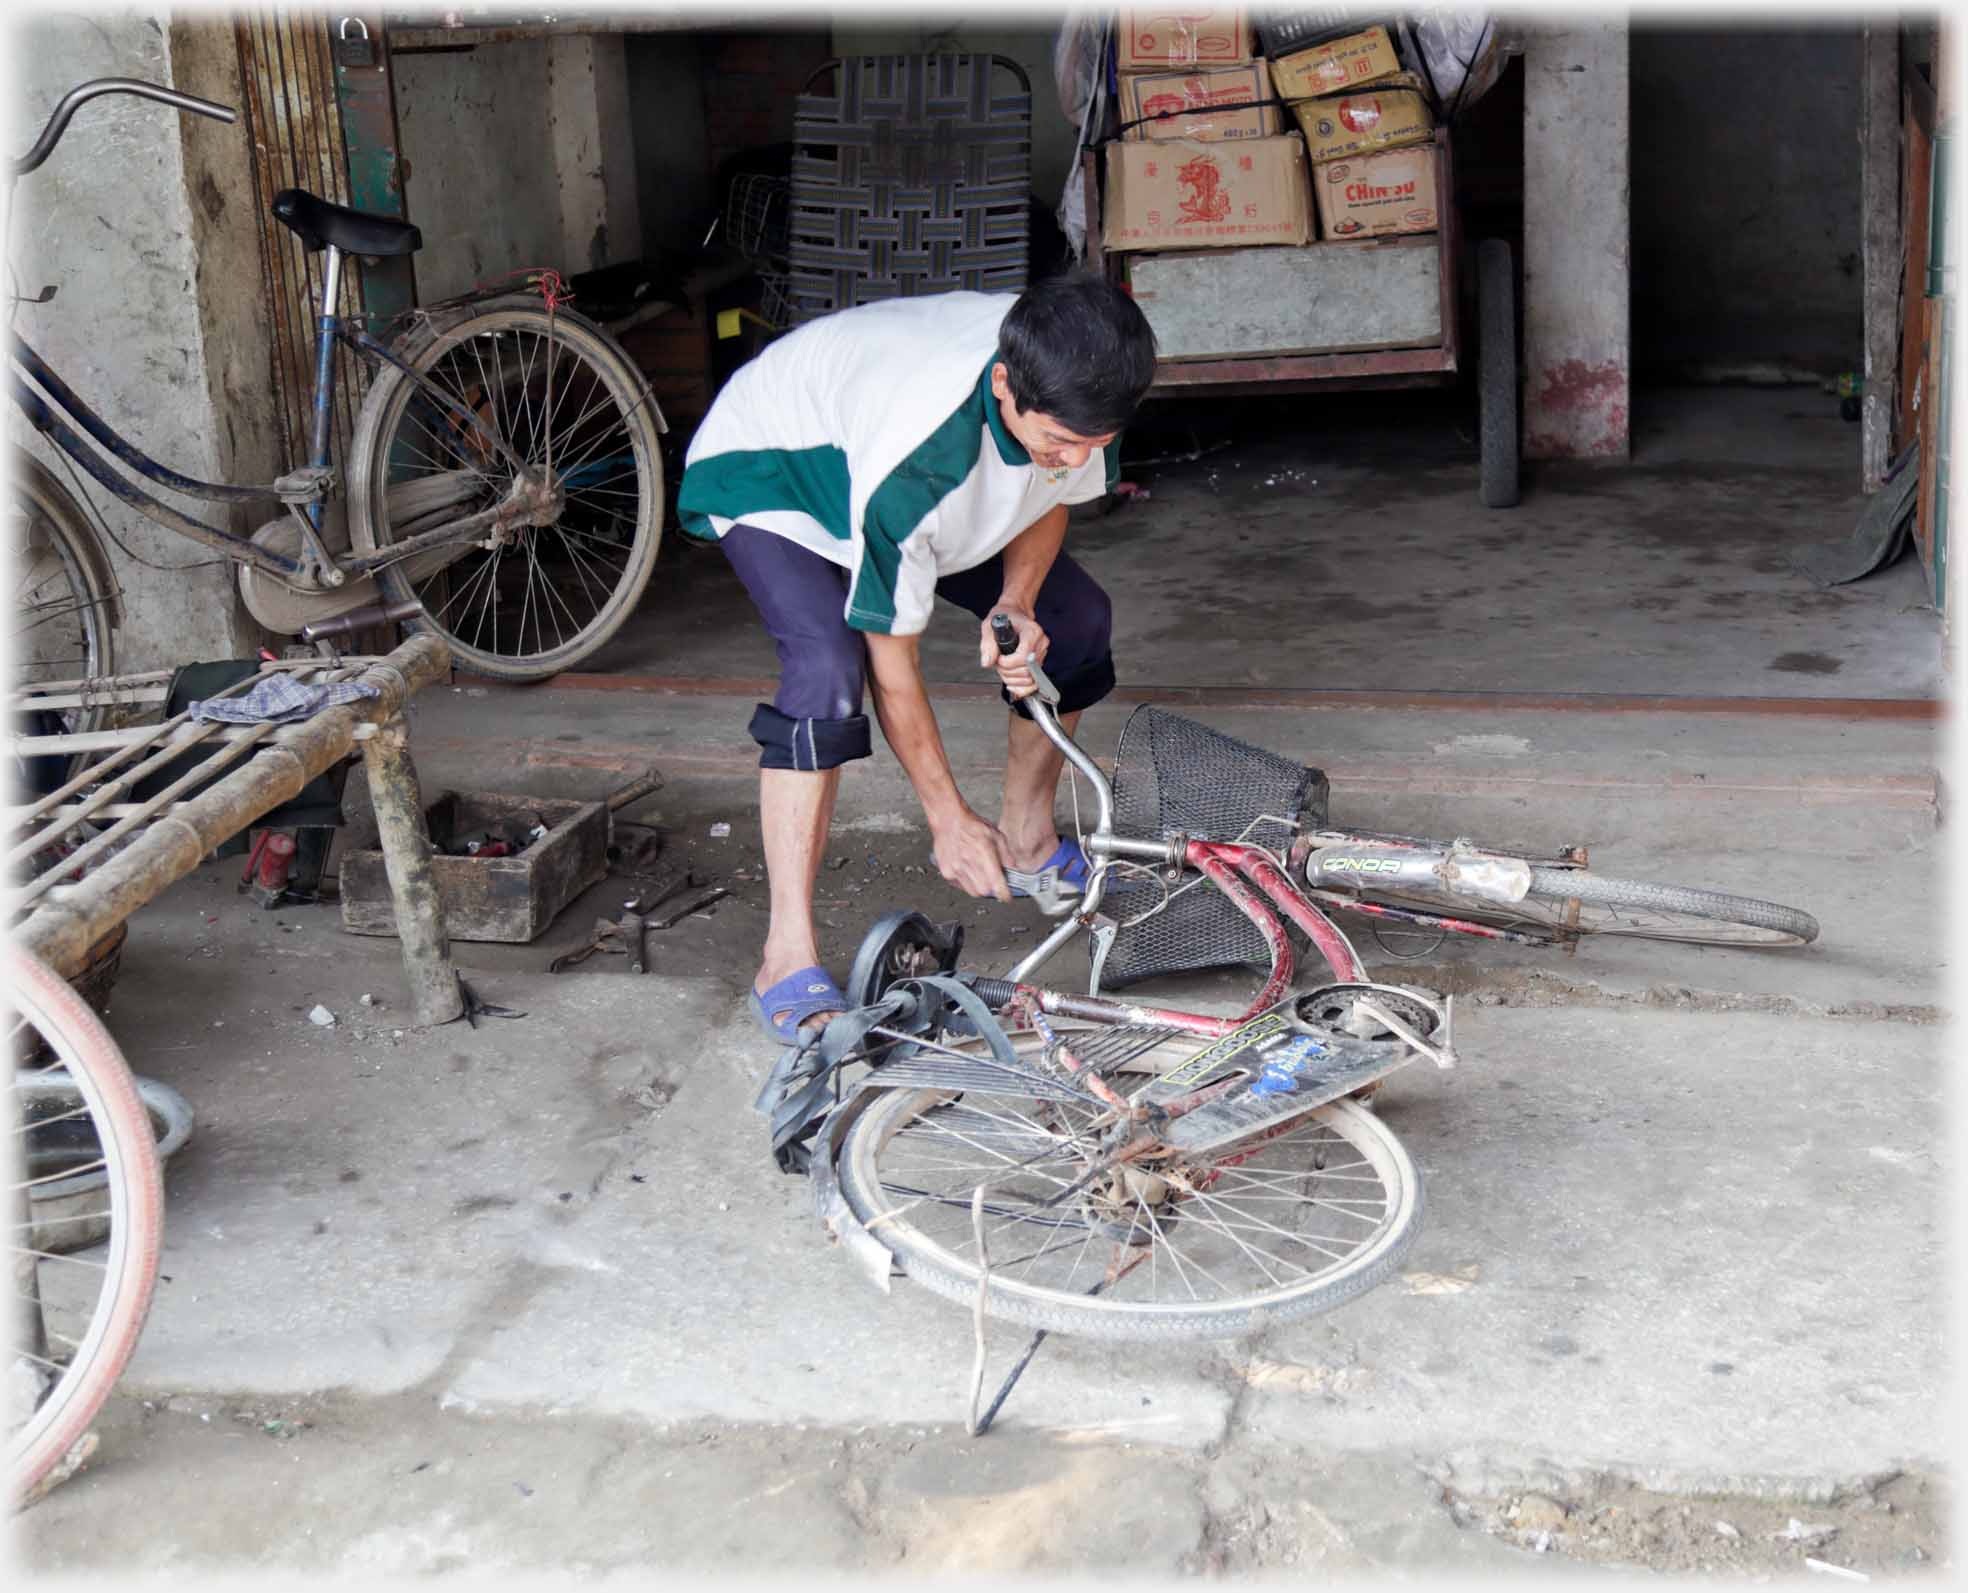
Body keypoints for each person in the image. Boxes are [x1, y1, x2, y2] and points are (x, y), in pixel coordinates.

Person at [677, 273, 1158, 1041]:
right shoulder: (921, 461)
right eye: (1058, 443)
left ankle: (1030, 839)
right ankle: (784, 952)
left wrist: (1018, 601)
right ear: (1003, 386)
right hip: (782, 473)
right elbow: (890, 666)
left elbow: (1050, 493)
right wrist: (946, 818)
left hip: (883, 460)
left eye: (1090, 445)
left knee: (1075, 619)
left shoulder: (1086, 386)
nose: (1074, 458)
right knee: (826, 670)